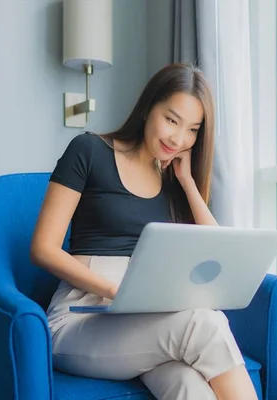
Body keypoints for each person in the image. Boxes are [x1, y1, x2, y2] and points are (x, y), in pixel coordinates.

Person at [30, 63, 258, 400]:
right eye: (171, 120)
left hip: (147, 319)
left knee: (189, 388)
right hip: (79, 318)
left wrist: (187, 182)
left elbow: (216, 249)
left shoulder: (172, 178)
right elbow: (43, 248)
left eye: (193, 129)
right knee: (205, 324)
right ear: (149, 106)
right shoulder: (88, 150)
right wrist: (116, 291)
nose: (178, 139)